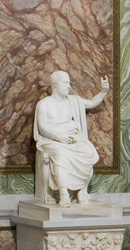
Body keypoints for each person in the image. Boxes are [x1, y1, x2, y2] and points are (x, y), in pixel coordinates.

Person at [33, 70, 109, 206]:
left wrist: (104, 91)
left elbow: (92, 103)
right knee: (60, 154)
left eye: (68, 82)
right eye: (65, 83)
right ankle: (64, 194)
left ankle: (82, 190)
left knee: (88, 151)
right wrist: (59, 137)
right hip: (51, 140)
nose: (68, 86)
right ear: (55, 84)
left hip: (71, 139)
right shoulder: (44, 104)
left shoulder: (73, 101)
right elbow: (43, 127)